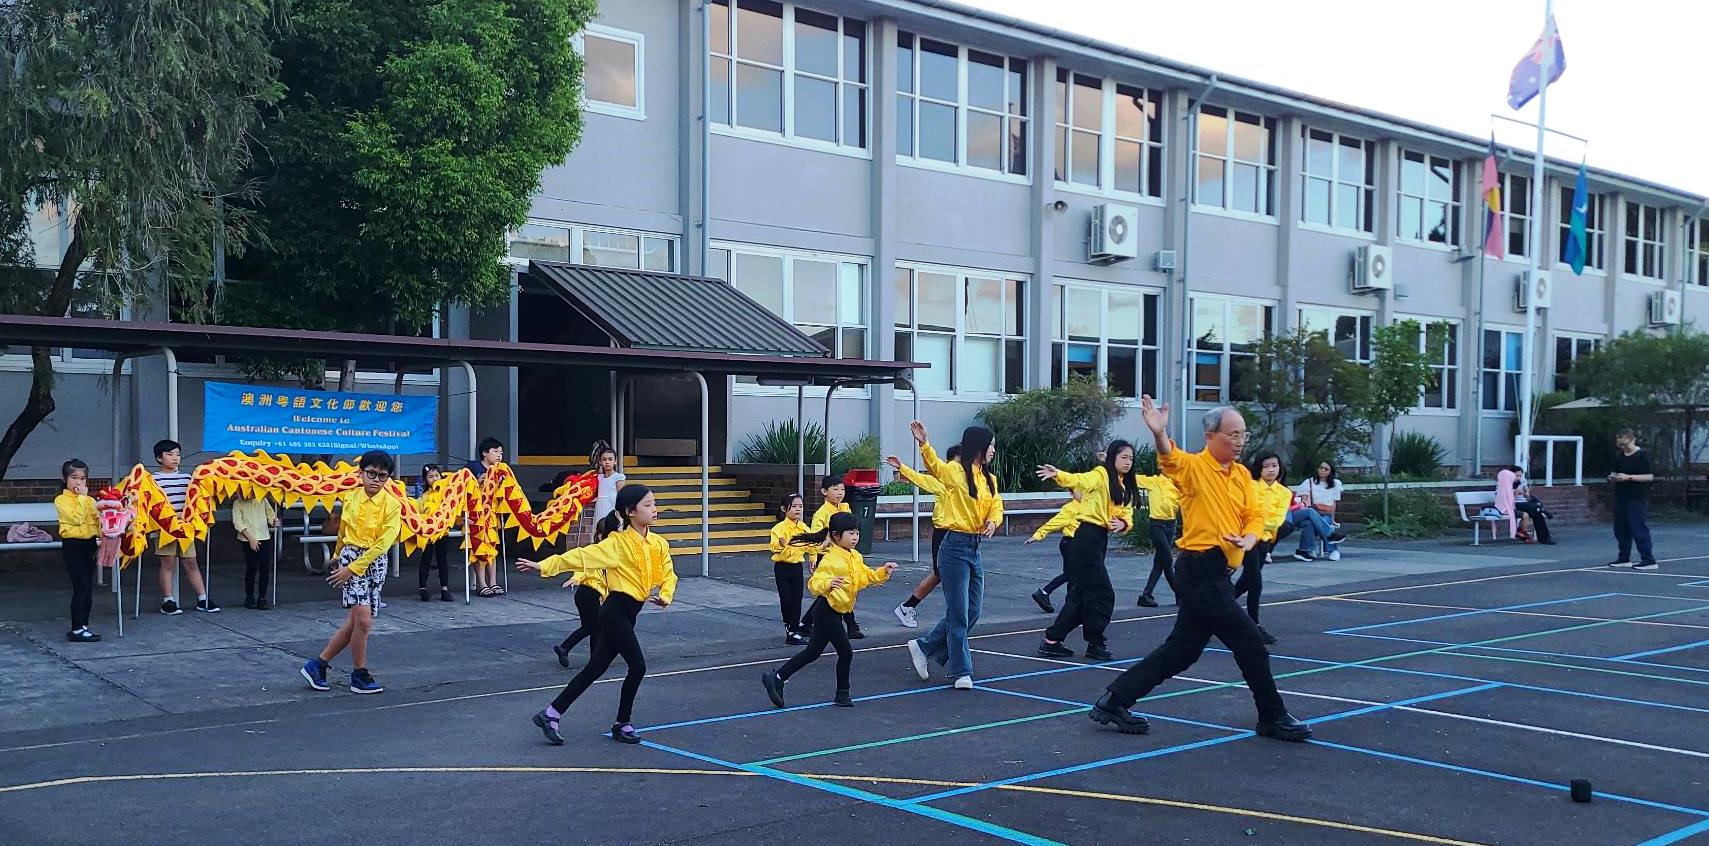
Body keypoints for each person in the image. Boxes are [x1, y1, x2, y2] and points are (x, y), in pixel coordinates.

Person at [1091, 398, 1310, 743]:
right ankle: (1272, 716)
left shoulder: (1241, 476)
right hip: (1199, 569)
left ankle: (1114, 700)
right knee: (1250, 641)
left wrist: (1249, 539)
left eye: (1244, 435)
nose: (1240, 441)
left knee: (1183, 650)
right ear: (1211, 435)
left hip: (1218, 571)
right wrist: (1160, 433)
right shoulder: (1194, 468)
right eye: (1233, 435)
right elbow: (1170, 458)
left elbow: (1254, 516)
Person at [521, 484, 676, 746]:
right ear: (630, 512)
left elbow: (669, 573)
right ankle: (622, 723)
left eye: (654, 503)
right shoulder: (617, 543)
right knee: (638, 666)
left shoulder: (658, 544)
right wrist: (544, 566)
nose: (654, 509)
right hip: (614, 610)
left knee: (595, 668)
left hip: (630, 613)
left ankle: (551, 713)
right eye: (647, 505)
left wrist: (666, 595)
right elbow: (581, 556)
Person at [895, 422, 1002, 691]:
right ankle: (960, 671)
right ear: (979, 446)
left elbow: (997, 506)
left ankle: (924, 646)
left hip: (974, 547)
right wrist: (923, 443)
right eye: (991, 446)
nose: (993, 451)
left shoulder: (990, 479)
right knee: (958, 613)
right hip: (953, 546)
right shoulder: (956, 472)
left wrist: (993, 521)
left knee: (972, 611)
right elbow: (935, 471)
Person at [761, 512, 897, 708]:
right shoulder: (831, 559)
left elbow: (866, 577)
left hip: (836, 612)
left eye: (857, 533)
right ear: (835, 535)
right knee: (846, 651)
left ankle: (777, 677)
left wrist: (883, 571)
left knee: (812, 652)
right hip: (827, 611)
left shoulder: (854, 557)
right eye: (850, 533)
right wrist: (829, 583)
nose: (855, 537)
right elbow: (814, 583)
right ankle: (842, 694)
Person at [300, 450, 401, 695]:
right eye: (371, 474)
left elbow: (384, 542)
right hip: (351, 559)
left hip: (374, 562)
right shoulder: (351, 498)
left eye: (382, 476)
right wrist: (338, 557)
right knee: (364, 621)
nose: (375, 480)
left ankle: (318, 664)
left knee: (356, 622)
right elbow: (344, 531)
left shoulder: (392, 505)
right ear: (361, 473)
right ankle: (359, 673)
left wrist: (354, 567)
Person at [1035, 442, 1138, 661]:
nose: (1128, 462)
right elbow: (1081, 480)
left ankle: (1052, 640)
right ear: (1112, 458)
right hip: (1085, 539)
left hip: (1099, 540)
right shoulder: (1100, 475)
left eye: (1131, 458)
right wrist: (1058, 475)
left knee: (1081, 595)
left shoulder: (1124, 485)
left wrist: (1123, 523)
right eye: (1124, 457)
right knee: (1103, 594)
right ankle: (1095, 642)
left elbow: (1126, 512)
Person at [888, 445, 960, 628]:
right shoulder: (944, 482)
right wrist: (902, 467)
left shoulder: (968, 482)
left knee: (942, 574)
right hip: (944, 533)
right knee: (942, 573)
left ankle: (908, 606)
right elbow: (920, 479)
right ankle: (909, 607)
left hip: (960, 534)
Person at [151, 440, 217, 614]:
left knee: (191, 562)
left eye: (178, 455)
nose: (175, 458)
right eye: (170, 455)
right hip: (165, 528)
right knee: (167, 564)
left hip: (185, 528)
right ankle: (168, 601)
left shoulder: (187, 478)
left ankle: (202, 598)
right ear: (159, 458)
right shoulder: (153, 480)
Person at [1235, 453, 1292, 645]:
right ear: (1259, 468)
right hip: (1248, 540)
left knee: (1244, 583)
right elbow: (1245, 513)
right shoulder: (1250, 486)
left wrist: (1258, 521)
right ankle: (1254, 627)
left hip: (1265, 541)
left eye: (1274, 465)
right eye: (1266, 466)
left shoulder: (1284, 493)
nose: (1271, 470)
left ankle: (1210, 615)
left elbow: (1277, 520)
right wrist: (1256, 522)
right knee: (1255, 584)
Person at [549, 513, 616, 668]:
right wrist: (576, 578)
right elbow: (582, 567)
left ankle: (567, 649)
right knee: (595, 626)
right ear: (599, 535)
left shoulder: (609, 554)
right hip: (587, 593)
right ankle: (584, 655)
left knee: (591, 626)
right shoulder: (593, 551)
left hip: (592, 595)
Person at [806, 474, 862, 639]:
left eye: (842, 489)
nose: (840, 493)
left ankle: (807, 623)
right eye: (835, 489)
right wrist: (812, 557)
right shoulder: (821, 513)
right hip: (828, 556)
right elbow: (814, 537)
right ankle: (851, 625)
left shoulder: (845, 508)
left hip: (843, 555)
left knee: (839, 590)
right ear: (824, 491)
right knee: (837, 590)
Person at [54, 459, 101, 643]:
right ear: (65, 478)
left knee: (88, 586)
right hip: (72, 544)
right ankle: (75, 627)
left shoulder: (90, 500)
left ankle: (84, 625)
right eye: (74, 478)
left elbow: (95, 521)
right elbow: (76, 519)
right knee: (79, 585)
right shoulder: (61, 500)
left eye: (82, 478)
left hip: (88, 544)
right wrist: (82, 498)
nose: (79, 483)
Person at [1024, 489, 1084, 614]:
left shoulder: (1089, 507)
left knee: (1074, 575)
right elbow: (1053, 523)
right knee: (1072, 574)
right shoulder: (1070, 509)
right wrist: (1038, 535)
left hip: (1080, 545)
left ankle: (1072, 604)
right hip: (1070, 544)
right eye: (1080, 491)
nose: (1083, 493)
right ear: (1072, 493)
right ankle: (1045, 593)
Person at [1608, 429, 1657, 570]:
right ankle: (1624, 557)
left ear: (1632, 440)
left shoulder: (1642, 455)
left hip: (1637, 497)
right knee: (1621, 528)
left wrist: (1629, 477)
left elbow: (1649, 476)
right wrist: (1612, 477)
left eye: (1625, 444)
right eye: (1620, 445)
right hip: (1621, 496)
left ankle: (1648, 559)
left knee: (1638, 527)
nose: (1623, 448)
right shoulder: (1619, 456)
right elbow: (1613, 471)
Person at [1134, 470, 1181, 608]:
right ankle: (1180, 594)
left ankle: (1146, 594)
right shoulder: (1154, 481)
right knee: (1167, 559)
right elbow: (1132, 477)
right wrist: (1108, 460)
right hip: (1157, 524)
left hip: (1171, 524)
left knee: (1160, 562)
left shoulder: (1178, 485)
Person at [769, 493, 811, 645]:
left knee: (797, 599)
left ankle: (793, 631)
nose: (798, 509)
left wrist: (812, 558)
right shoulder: (778, 528)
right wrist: (781, 544)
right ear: (784, 508)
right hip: (782, 567)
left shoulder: (803, 527)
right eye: (794, 506)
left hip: (797, 567)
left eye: (800, 506)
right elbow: (774, 547)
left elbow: (811, 542)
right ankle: (789, 627)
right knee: (786, 599)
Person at [468, 437, 505, 597]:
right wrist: (477, 481)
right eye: (495, 451)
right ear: (484, 453)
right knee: (478, 548)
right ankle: (481, 584)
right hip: (475, 515)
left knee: (492, 548)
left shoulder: (500, 470)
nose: (499, 455)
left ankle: (493, 582)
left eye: (501, 452)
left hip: (492, 515)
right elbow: (464, 489)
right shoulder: (472, 467)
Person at [1288, 460, 1346, 562]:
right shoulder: (1309, 482)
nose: (1322, 470)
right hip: (1313, 511)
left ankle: (1330, 550)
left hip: (1326, 513)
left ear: (1330, 472)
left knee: (1326, 521)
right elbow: (1304, 501)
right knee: (1310, 522)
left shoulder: (1336, 484)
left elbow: (1333, 504)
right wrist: (1304, 502)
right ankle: (1329, 537)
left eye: (1326, 469)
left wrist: (1333, 519)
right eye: (1321, 468)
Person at [412, 465, 455, 602]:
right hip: (428, 532)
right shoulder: (423, 497)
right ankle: (422, 588)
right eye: (430, 476)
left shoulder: (447, 493)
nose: (435, 478)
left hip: (443, 532)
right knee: (426, 558)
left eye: (437, 475)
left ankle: (445, 588)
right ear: (425, 480)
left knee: (443, 559)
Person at [232, 489, 278, 610]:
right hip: (247, 539)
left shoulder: (262, 500)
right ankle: (250, 596)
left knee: (265, 568)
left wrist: (274, 521)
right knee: (251, 567)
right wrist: (251, 538)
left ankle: (262, 597)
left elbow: (270, 515)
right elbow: (238, 523)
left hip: (264, 536)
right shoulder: (238, 503)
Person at [1508, 467, 1555, 545]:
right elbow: (1506, 499)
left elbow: (1528, 498)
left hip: (1524, 504)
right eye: (1516, 476)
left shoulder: (1522, 482)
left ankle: (1545, 538)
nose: (1518, 478)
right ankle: (1541, 510)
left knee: (1537, 514)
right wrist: (1515, 493)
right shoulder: (1506, 483)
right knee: (1536, 509)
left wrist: (1526, 494)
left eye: (1520, 476)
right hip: (1513, 504)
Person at [590, 440, 626, 521]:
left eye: (610, 459)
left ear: (615, 461)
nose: (607, 462)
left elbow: (622, 498)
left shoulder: (618, 477)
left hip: (612, 509)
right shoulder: (599, 477)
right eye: (604, 459)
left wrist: (619, 515)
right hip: (600, 508)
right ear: (600, 461)